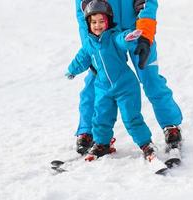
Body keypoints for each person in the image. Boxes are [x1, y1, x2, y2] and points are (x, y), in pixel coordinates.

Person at [74, 0, 183, 155]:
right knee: (95, 81)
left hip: (136, 31)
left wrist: (145, 36)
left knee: (150, 78)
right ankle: (87, 130)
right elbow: (83, 11)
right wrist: (89, 44)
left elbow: (147, 3)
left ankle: (170, 125)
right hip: (104, 33)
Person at [66, 0, 156, 161]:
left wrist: (130, 37)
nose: (98, 26)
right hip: (103, 88)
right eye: (94, 22)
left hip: (125, 86)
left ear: (108, 22)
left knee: (131, 117)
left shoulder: (113, 37)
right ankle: (102, 144)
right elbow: (81, 59)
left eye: (102, 22)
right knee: (101, 117)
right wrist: (72, 70)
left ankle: (145, 144)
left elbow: (122, 39)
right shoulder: (89, 45)